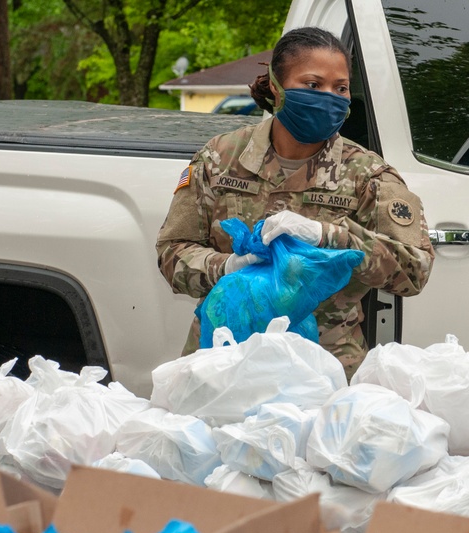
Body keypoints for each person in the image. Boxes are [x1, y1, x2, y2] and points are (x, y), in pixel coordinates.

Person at [156, 27, 434, 377]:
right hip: (222, 355)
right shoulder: (220, 157)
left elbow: (413, 271)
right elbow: (172, 251)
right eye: (314, 85)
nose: (329, 97)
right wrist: (226, 266)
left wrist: (329, 236)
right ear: (276, 85)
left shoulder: (368, 174)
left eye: (341, 88)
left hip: (322, 365)